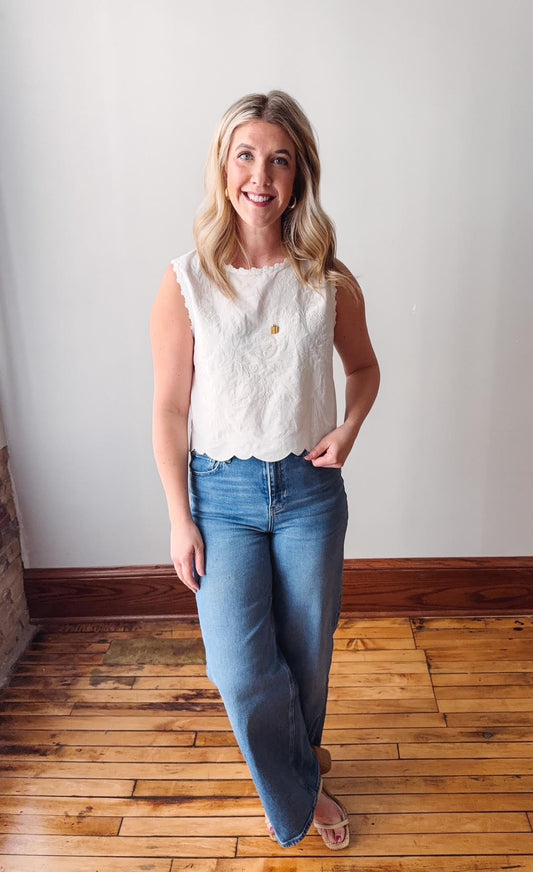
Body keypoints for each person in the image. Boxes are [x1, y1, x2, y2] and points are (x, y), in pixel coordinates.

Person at [150, 90, 380, 850]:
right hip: (221, 496)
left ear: (298, 175)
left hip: (310, 491)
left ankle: (298, 766)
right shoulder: (185, 281)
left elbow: (365, 368)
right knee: (239, 668)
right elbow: (170, 410)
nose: (260, 175)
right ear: (222, 168)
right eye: (245, 155)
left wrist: (348, 429)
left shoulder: (327, 278)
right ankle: (302, 791)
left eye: (279, 160)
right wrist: (179, 517)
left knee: (307, 655)